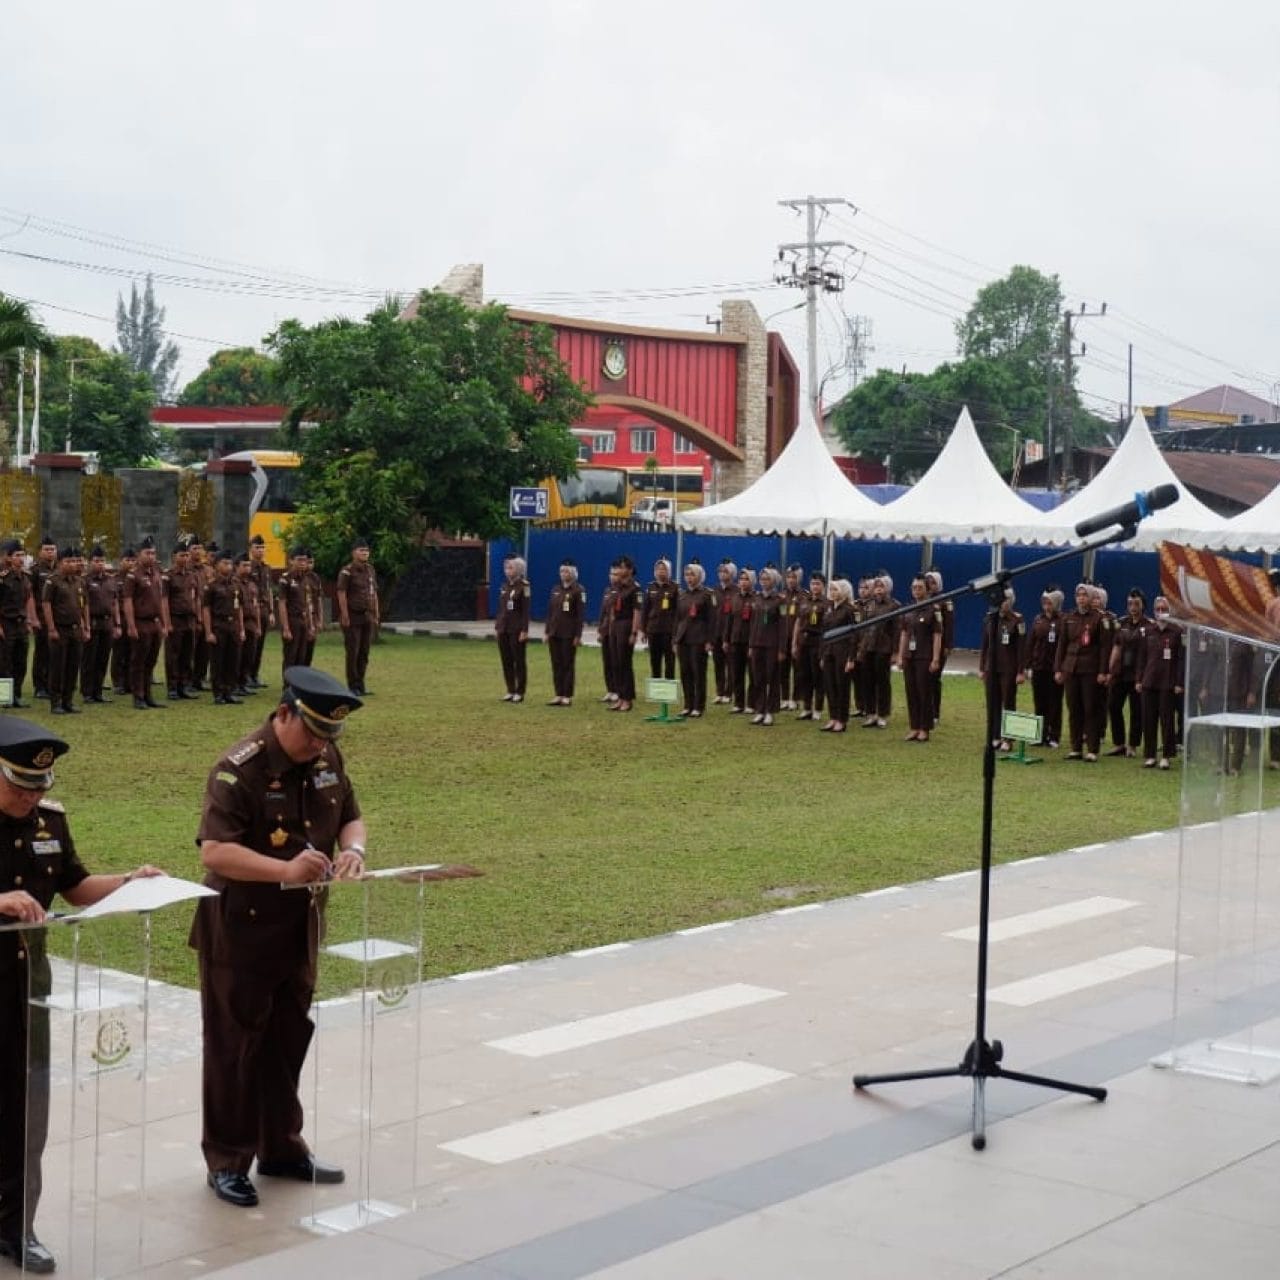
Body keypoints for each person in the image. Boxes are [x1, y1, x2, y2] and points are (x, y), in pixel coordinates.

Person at [189, 667, 365, 1210]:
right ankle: (227, 1160)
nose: (319, 745)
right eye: (311, 732)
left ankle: (282, 1148)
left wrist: (354, 850)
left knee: (288, 1039)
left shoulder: (324, 759)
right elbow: (214, 852)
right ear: (283, 712)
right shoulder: (237, 769)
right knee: (234, 1048)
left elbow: (352, 818)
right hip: (240, 932)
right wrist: (282, 870)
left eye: (328, 736)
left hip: (299, 929)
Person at [0, 718, 162, 1273]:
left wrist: (130, 881)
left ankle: (16, 1226)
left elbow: (75, 885)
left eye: (38, 786)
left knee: (26, 1112)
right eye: (19, 785)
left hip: (25, 985)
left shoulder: (50, 821)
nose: (30, 797)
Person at [1055, 582, 1108, 761]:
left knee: (1090, 708)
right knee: (1073, 708)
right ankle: (1076, 747)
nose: (1081, 598)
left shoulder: (1099, 618)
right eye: (1079, 595)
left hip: (1090, 670)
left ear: (1091, 597)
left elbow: (1104, 648)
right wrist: (1059, 668)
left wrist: (1103, 671)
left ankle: (1092, 749)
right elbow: (1062, 645)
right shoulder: (1069, 618)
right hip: (1071, 669)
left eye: (1085, 595)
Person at [122, 535, 171, 711]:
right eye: (147, 553)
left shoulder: (157, 573)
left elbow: (162, 600)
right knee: (138, 661)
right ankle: (138, 696)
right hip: (140, 622)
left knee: (151, 661)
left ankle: (148, 695)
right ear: (139, 554)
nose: (151, 556)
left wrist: (165, 624)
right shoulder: (133, 575)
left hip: (155, 623)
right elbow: (127, 601)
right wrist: (131, 625)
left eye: (153, 553)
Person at [1135, 596, 1183, 770]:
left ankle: (1166, 756)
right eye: (1158, 609)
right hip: (1149, 681)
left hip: (1168, 683)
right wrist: (1139, 679)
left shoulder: (1176, 632)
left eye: (1164, 609)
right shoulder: (1148, 631)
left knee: (1167, 720)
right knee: (1148, 719)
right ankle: (1150, 755)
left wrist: (1178, 682)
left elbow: (1180, 660)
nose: (1161, 613)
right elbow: (1141, 657)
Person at [42, 546, 88, 717]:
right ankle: (56, 702)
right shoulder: (52, 581)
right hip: (60, 629)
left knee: (72, 666)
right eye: (69, 561)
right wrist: (51, 628)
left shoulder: (79, 582)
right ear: (61, 563)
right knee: (58, 667)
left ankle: (68, 701)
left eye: (75, 561)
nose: (73, 564)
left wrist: (85, 626)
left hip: (75, 630)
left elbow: (82, 606)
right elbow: (46, 605)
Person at [978, 588, 1026, 750]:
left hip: (1009, 669)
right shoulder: (990, 619)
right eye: (999, 600)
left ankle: (1008, 738)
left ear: (1010, 601)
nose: (1002, 604)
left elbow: (1021, 648)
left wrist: (1021, 671)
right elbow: (984, 645)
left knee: (1008, 702)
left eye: (1005, 600)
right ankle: (995, 736)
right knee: (992, 702)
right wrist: (982, 667)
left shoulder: (1017, 620)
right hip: (991, 667)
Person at [899, 574, 943, 743]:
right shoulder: (908, 609)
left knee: (924, 692)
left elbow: (938, 635)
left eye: (920, 587)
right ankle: (914, 727)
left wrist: (936, 658)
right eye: (914, 587)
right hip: (910, 656)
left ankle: (925, 728)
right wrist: (901, 655)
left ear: (927, 589)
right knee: (911, 692)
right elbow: (903, 634)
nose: (917, 591)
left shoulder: (934, 610)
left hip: (925, 656)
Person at [1107, 588, 1150, 757]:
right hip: (1120, 672)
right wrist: (1109, 669)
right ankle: (1119, 743)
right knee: (1113, 706)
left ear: (1143, 605)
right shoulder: (1121, 623)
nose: (1133, 607)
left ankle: (1132, 745)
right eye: (1130, 603)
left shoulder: (1148, 625)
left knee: (1136, 710)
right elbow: (1116, 647)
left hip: (1138, 673)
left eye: (1136, 604)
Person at [335, 537, 379, 696]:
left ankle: (361, 684)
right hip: (353, 616)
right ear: (354, 553)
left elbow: (374, 592)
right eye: (361, 550)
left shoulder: (370, 570)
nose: (364, 553)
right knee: (353, 651)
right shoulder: (347, 571)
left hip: (367, 615)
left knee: (364, 652)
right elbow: (341, 593)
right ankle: (352, 685)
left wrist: (376, 612)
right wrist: (345, 615)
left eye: (366, 551)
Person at [203, 550, 245, 705]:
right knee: (218, 662)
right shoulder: (211, 586)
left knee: (232, 660)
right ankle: (218, 693)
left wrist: (241, 629)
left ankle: (230, 691)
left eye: (230, 563)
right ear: (216, 566)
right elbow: (206, 610)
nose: (228, 566)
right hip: (218, 625)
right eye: (225, 563)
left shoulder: (236, 585)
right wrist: (208, 632)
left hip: (233, 626)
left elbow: (239, 607)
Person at [673, 560, 714, 718]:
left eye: (692, 574)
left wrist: (709, 640)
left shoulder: (707, 594)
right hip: (683, 638)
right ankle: (688, 704)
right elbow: (677, 619)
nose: (689, 578)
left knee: (698, 673)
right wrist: (675, 640)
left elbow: (712, 619)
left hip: (699, 639)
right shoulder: (682, 595)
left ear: (700, 576)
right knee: (685, 672)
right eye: (687, 574)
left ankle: (698, 706)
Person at [0, 541, 38, 708]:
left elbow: (28, 599)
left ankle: (17, 695)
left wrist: (30, 620)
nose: (21, 559)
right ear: (8, 557)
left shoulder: (25, 577)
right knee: (5, 663)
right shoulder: (2, 578)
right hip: (6, 623)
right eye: (17, 555)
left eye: (22, 555)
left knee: (21, 661)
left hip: (21, 624)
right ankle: (5, 698)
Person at [80, 546, 119, 705]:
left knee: (103, 659)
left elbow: (115, 602)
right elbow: (83, 605)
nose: (100, 564)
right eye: (96, 561)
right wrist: (86, 626)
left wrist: (118, 623)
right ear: (90, 562)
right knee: (90, 659)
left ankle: (98, 691)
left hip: (107, 623)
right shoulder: (85, 580)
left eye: (102, 561)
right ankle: (87, 692)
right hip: (93, 622)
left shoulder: (111, 580)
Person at [1026, 587, 1065, 748]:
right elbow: (1031, 643)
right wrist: (1027, 665)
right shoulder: (1038, 620)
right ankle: (1039, 735)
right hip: (1039, 667)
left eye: (1049, 603)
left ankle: (1053, 735)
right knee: (1039, 702)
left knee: (1054, 703)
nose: (1046, 606)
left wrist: (1061, 668)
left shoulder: (1063, 620)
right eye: (1044, 603)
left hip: (1054, 668)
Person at [746, 566, 785, 726]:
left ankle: (770, 711)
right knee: (758, 678)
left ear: (774, 581)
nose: (764, 582)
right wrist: (750, 644)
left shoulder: (780, 600)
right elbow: (753, 623)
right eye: (762, 579)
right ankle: (759, 709)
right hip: (757, 644)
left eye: (767, 578)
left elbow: (784, 626)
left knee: (772, 678)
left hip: (772, 645)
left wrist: (782, 648)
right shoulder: (756, 598)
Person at [544, 559, 585, 706]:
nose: (563, 574)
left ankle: (567, 695)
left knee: (567, 664)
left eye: (567, 571)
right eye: (561, 571)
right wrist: (547, 631)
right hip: (554, 632)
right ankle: (558, 693)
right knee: (556, 664)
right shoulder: (556, 589)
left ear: (573, 573)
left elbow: (580, 615)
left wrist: (578, 635)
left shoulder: (579, 590)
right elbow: (550, 612)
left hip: (569, 634)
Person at [163, 542, 200, 701]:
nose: (185, 558)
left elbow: (197, 598)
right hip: (175, 618)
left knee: (187, 654)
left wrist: (198, 618)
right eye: (181, 555)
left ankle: (183, 686)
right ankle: (172, 687)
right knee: (173, 655)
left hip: (189, 619)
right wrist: (167, 622)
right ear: (174, 557)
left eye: (186, 555)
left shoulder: (192, 575)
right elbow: (164, 600)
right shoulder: (168, 576)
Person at [819, 578, 857, 733]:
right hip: (829, 651)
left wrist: (851, 658)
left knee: (842, 686)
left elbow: (855, 634)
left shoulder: (849, 610)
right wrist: (821, 654)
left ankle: (842, 719)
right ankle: (833, 717)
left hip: (843, 652)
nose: (832, 592)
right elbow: (824, 633)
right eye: (831, 589)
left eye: (835, 589)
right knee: (830, 685)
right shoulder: (829, 609)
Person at [605, 555, 641, 712]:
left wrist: (634, 632)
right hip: (615, 626)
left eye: (622, 567)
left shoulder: (635, 589)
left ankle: (627, 698)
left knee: (625, 663)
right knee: (615, 663)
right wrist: (610, 626)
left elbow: (637, 611)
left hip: (627, 625)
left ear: (630, 570)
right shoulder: (617, 587)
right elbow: (611, 607)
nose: (619, 570)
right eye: (618, 567)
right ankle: (620, 697)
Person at [792, 570, 828, 721]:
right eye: (813, 583)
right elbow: (798, 622)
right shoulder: (804, 601)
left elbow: (827, 626)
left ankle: (818, 708)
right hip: (804, 641)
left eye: (818, 584)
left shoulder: (827, 603)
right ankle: (807, 707)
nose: (815, 586)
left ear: (823, 586)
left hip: (817, 641)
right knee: (804, 675)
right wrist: (794, 643)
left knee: (817, 676)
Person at [495, 555, 530, 703]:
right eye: (506, 568)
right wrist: (497, 626)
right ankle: (510, 689)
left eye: (510, 567)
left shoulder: (525, 586)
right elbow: (501, 609)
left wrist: (524, 630)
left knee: (518, 660)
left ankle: (519, 691)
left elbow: (526, 610)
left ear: (519, 569)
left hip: (516, 629)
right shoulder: (504, 587)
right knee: (506, 660)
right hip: (503, 627)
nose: (507, 571)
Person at [277, 546, 315, 677]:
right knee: (290, 656)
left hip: (303, 620)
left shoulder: (306, 579)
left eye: (304, 560)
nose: (302, 563)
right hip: (291, 620)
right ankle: (288, 687)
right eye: (299, 560)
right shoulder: (285, 579)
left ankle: (298, 686)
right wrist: (286, 628)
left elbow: (308, 603)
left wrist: (310, 626)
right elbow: (282, 604)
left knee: (301, 656)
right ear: (291, 561)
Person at [27, 539, 57, 704]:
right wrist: (33, 618)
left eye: (53, 549)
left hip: (56, 618)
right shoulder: (35, 571)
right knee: (42, 654)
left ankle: (51, 684)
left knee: (55, 654)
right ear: (40, 552)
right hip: (41, 618)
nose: (50, 552)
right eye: (47, 549)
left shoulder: (60, 568)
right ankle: (39, 687)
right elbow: (29, 594)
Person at [923, 569, 954, 726]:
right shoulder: (923, 598)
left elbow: (949, 624)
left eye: (933, 582)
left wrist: (947, 645)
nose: (930, 585)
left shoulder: (945, 600)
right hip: (924, 646)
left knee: (934, 679)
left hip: (939, 645)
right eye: (928, 582)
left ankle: (935, 712)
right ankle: (925, 709)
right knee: (924, 679)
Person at [245, 535, 274, 689]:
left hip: (263, 609)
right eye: (257, 547)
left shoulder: (266, 568)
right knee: (250, 644)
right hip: (251, 610)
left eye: (262, 547)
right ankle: (246, 675)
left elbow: (268, 589)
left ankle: (254, 674)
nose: (260, 550)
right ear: (251, 549)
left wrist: (271, 611)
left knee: (260, 644)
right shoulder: (248, 567)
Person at [641, 559, 678, 680]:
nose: (660, 572)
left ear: (669, 571)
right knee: (654, 660)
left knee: (669, 661)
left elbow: (678, 611)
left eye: (664, 569)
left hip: (668, 630)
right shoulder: (650, 587)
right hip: (653, 629)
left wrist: (676, 632)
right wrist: (643, 630)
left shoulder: (675, 588)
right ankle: (656, 688)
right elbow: (645, 610)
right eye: (658, 569)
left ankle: (669, 688)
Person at [778, 564, 807, 711]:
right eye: (788, 577)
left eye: (793, 577)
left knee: (798, 670)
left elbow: (803, 619)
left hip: (798, 639)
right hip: (783, 637)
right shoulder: (781, 595)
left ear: (799, 578)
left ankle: (796, 698)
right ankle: (784, 698)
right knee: (783, 669)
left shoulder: (804, 596)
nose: (790, 580)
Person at [235, 555, 261, 698]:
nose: (247, 568)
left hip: (251, 622)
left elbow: (256, 605)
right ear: (237, 567)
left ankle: (243, 683)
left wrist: (258, 625)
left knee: (249, 655)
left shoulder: (251, 585)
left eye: (248, 565)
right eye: (244, 565)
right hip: (240, 622)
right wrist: (240, 628)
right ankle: (235, 684)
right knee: (238, 655)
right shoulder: (234, 583)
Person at [710, 560, 736, 705]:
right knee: (718, 664)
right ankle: (719, 692)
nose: (722, 574)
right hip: (716, 633)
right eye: (720, 571)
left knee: (731, 664)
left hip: (730, 633)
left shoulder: (736, 591)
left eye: (725, 571)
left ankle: (729, 692)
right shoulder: (714, 591)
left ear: (732, 573)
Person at [596, 562, 619, 705]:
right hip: (606, 631)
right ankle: (610, 690)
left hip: (617, 631)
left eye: (615, 574)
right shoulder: (607, 591)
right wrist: (600, 630)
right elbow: (603, 613)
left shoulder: (623, 591)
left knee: (616, 662)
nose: (613, 577)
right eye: (611, 574)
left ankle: (618, 690)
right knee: (607, 662)